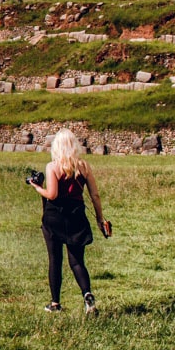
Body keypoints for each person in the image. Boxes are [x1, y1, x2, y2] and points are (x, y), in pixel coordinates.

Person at [29, 128, 110, 314]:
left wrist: (37, 188)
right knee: (77, 261)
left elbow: (52, 194)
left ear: (56, 147)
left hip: (54, 216)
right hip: (76, 216)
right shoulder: (84, 166)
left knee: (55, 259)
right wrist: (99, 218)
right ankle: (87, 294)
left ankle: (55, 303)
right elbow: (95, 195)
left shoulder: (52, 166)